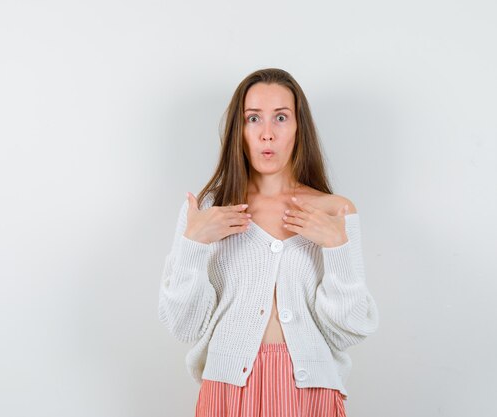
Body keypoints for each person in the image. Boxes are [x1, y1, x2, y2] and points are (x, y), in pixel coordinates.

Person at [157, 68, 379, 417]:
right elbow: (184, 325)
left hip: (311, 394)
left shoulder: (336, 211)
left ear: (297, 128)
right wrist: (193, 245)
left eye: (280, 117)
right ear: (239, 130)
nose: (267, 134)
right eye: (253, 118)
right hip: (228, 392)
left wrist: (337, 248)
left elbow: (348, 330)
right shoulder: (208, 212)